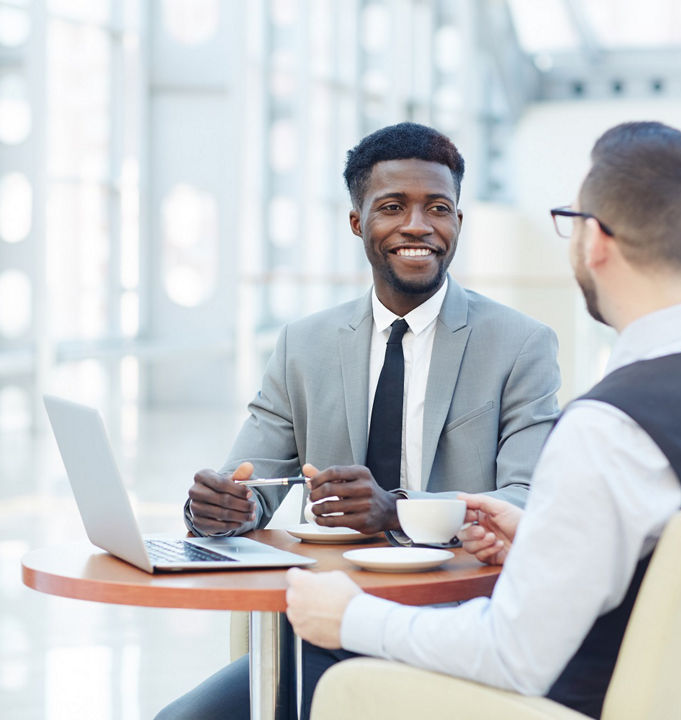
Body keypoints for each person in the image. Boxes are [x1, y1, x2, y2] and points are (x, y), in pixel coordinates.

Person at [285, 120, 681, 720]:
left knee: (313, 674)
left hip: (566, 700)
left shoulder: (609, 428)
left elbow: (514, 655)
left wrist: (349, 615)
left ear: (593, 240)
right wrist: (543, 540)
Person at [155, 122, 560, 719]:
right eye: (393, 207)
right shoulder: (304, 345)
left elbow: (526, 501)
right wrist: (220, 507)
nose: (418, 226)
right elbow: (250, 482)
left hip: (460, 629)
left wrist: (396, 507)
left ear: (458, 223)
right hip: (327, 628)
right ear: (357, 223)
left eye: (438, 208)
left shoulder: (521, 345)